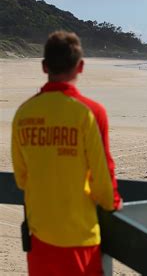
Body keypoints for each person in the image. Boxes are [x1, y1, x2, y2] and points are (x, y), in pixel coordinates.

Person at [11, 31, 122, 275]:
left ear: (44, 66)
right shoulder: (90, 112)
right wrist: (112, 203)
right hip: (80, 236)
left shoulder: (24, 113)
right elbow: (103, 176)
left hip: (40, 234)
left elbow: (21, 178)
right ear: (80, 67)